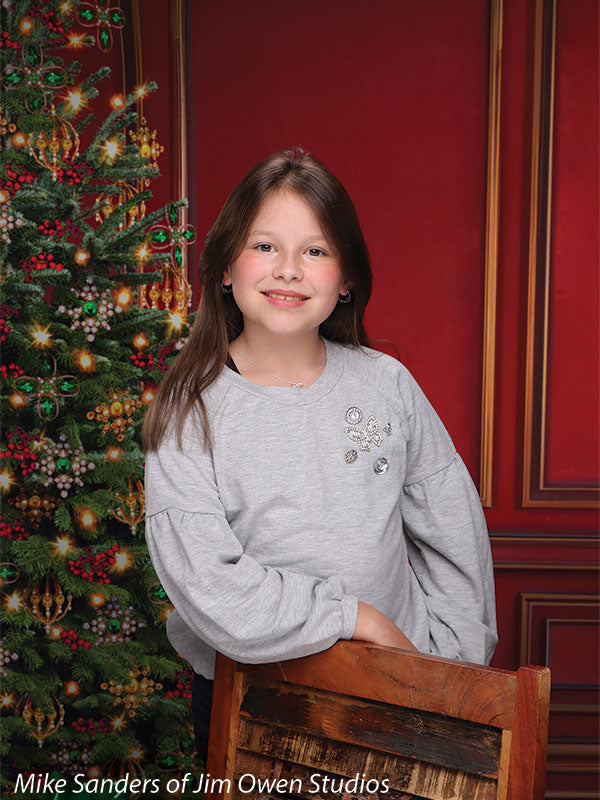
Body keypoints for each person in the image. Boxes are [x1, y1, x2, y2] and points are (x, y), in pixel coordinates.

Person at [142, 147, 497, 765]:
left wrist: (448, 670)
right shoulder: (189, 408)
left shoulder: (386, 385)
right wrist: (353, 616)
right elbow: (210, 582)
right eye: (264, 246)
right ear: (225, 266)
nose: (288, 270)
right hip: (252, 699)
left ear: (347, 277)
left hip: (395, 688)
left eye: (316, 250)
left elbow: (452, 533)